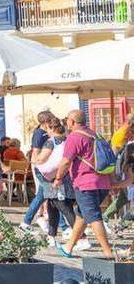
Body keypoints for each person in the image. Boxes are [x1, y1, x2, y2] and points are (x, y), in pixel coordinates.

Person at [54, 109, 114, 258]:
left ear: (73, 122)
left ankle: (108, 252)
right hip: (102, 182)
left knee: (93, 217)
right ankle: (69, 247)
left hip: (86, 183)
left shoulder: (74, 137)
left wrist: (58, 178)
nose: (66, 122)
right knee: (81, 215)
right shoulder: (95, 134)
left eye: (67, 120)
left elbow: (66, 161)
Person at [36, 117, 87, 251]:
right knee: (52, 205)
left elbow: (41, 159)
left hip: (53, 178)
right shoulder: (67, 139)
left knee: (63, 206)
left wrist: (34, 158)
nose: (46, 131)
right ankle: (51, 236)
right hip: (67, 175)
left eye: (47, 128)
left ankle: (82, 238)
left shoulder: (50, 142)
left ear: (51, 128)